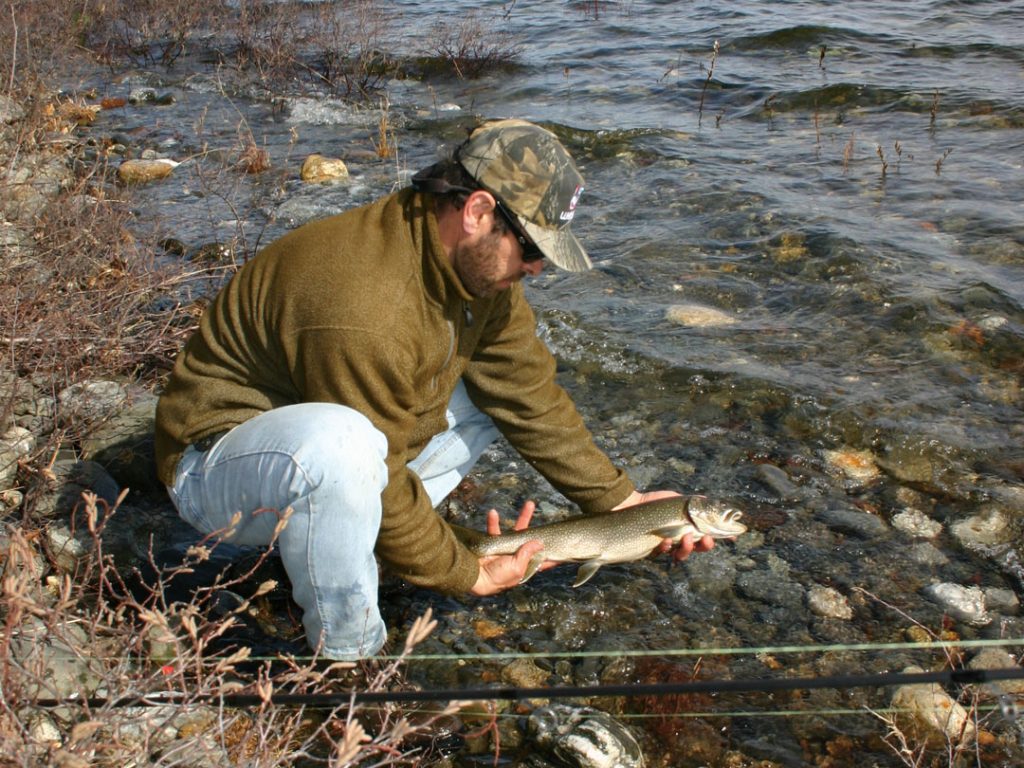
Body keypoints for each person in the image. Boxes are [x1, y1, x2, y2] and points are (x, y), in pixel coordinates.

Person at [154, 119, 713, 660]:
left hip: (329, 444)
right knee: (343, 448)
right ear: (477, 211)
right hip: (218, 468)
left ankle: (356, 542)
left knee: (490, 400)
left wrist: (622, 503)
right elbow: (377, 469)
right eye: (533, 251)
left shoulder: (472, 267)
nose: (538, 269)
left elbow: (527, 393)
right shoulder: (365, 308)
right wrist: (464, 571)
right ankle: (348, 661)